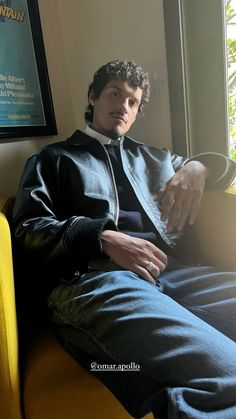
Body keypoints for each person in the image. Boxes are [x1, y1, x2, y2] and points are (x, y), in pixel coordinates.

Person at [12, 59, 236, 418]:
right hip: (96, 279)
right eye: (115, 94)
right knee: (228, 375)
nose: (124, 106)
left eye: (133, 102)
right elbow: (25, 230)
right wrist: (101, 237)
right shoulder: (53, 159)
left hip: (175, 273)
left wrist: (198, 165)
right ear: (93, 97)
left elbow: (224, 169)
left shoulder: (157, 159)